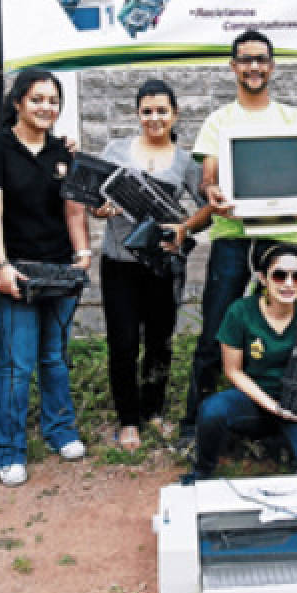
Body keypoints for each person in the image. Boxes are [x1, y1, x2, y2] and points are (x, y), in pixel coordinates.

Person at [177, 29, 297, 447]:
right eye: (245, 59)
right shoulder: (219, 121)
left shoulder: (293, 120)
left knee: (292, 330)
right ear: (233, 66)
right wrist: (213, 194)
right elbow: (208, 179)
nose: (254, 67)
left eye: (261, 59)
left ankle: (286, 419)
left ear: (272, 66)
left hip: (281, 239)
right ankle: (196, 423)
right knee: (215, 329)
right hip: (232, 237)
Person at [0, 68, 92, 488]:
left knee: (55, 358)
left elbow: (74, 209)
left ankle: (61, 430)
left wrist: (82, 255)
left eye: (53, 101)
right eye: (37, 99)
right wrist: (0, 265)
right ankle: (7, 450)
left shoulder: (63, 152)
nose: (46, 107)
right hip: (14, 273)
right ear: (18, 102)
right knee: (16, 364)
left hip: (59, 272)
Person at [93, 79, 212, 450]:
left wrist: (184, 228)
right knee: (123, 343)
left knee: (159, 342)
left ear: (175, 114)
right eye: (147, 111)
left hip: (163, 267)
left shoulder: (185, 160)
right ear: (137, 114)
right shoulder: (115, 150)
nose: (154, 117)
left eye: (162, 110)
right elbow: (93, 199)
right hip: (119, 263)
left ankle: (154, 411)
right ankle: (128, 420)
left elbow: (209, 208)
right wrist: (99, 209)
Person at [187, 245, 297, 481]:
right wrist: (274, 407)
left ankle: (283, 441)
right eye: (280, 275)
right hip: (254, 399)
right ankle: (203, 468)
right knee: (212, 410)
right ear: (263, 278)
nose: (289, 283)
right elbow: (233, 370)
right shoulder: (242, 311)